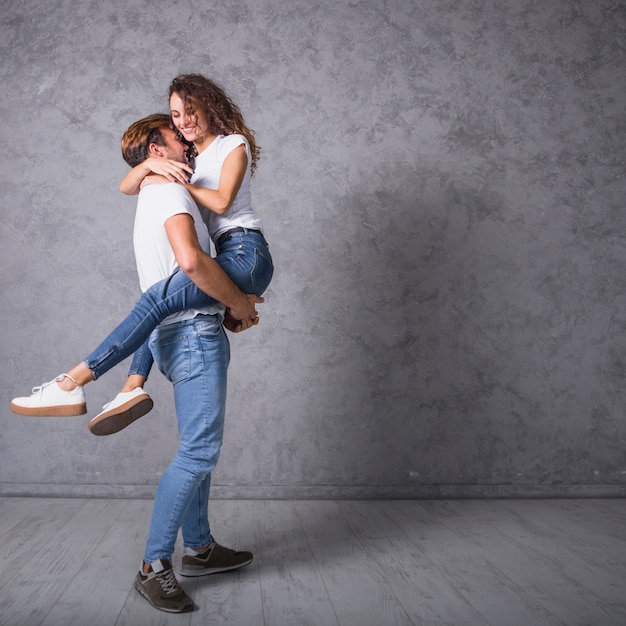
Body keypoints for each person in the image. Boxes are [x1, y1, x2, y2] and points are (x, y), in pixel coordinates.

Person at [25, 114, 256, 613]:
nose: (189, 145)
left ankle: (200, 548)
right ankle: (154, 566)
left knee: (198, 447)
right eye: (179, 138)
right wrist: (238, 303)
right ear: (157, 147)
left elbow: (162, 285)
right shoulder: (171, 192)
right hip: (194, 333)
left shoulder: (155, 189)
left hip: (172, 336)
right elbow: (191, 264)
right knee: (199, 453)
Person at [11, 75, 273, 438]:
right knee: (160, 296)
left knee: (156, 299)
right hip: (229, 252)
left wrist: (176, 179)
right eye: (176, 114)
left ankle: (73, 382)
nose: (184, 122)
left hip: (246, 251)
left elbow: (222, 201)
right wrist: (150, 167)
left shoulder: (232, 144)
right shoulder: (190, 158)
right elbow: (126, 186)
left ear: (211, 107)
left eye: (191, 111)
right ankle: (129, 387)